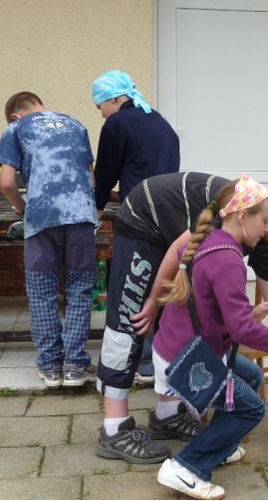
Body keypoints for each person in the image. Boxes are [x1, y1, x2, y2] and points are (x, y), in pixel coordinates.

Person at [95, 172, 268, 464]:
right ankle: (114, 427)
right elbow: (178, 250)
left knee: (183, 325)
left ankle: (167, 415)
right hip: (144, 219)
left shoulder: (257, 234)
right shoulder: (234, 210)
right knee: (130, 318)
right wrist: (155, 301)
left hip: (172, 238)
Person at [153, 175, 268, 500]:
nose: (266, 229)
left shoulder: (212, 241)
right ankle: (186, 466)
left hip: (183, 347)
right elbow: (241, 332)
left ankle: (219, 447)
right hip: (187, 360)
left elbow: (212, 306)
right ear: (242, 217)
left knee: (250, 375)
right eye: (263, 220)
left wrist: (250, 313)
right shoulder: (228, 260)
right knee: (251, 409)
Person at [0, 92, 97, 388]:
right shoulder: (76, 125)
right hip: (81, 216)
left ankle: (50, 367)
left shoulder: (15, 129)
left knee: (41, 291)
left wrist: (21, 208)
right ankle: (75, 366)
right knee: (80, 289)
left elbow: (7, 183)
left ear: (15, 115)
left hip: (41, 218)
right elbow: (91, 180)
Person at [92, 69, 181, 382]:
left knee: (133, 285)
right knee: (162, 282)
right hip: (169, 216)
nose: (101, 113)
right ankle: (162, 355)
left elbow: (105, 174)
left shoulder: (117, 124)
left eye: (101, 106)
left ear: (115, 99)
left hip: (138, 217)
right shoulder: (159, 121)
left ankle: (138, 360)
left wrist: (97, 208)